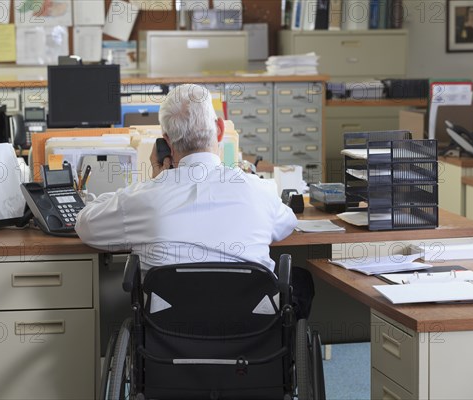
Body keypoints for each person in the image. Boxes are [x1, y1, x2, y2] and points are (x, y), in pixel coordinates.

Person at [75, 84, 314, 319]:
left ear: (166, 143)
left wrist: (152, 183)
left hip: (167, 342)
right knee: (300, 278)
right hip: (252, 341)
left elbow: (85, 226)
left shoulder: (142, 198)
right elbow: (287, 223)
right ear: (219, 130)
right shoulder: (259, 191)